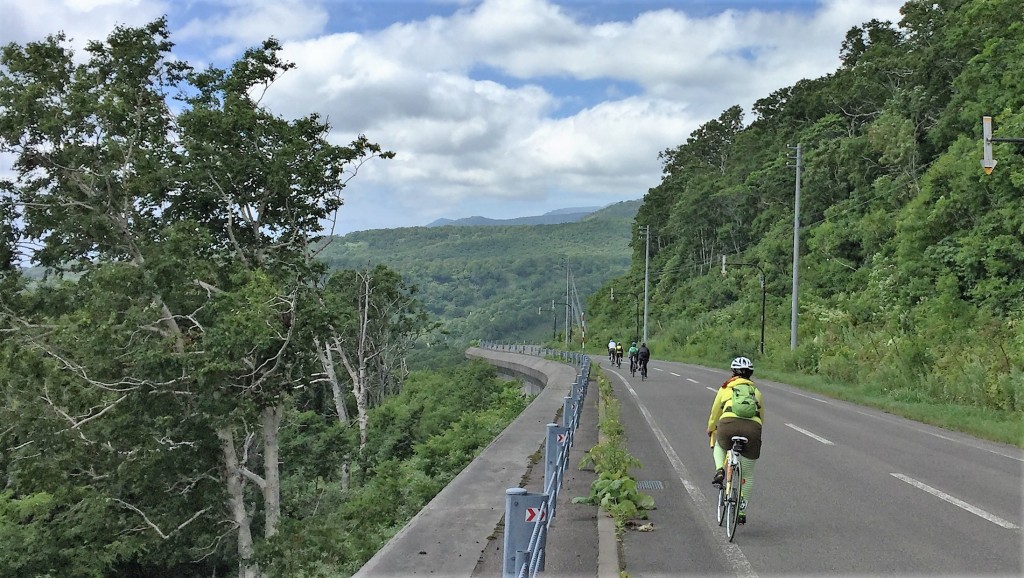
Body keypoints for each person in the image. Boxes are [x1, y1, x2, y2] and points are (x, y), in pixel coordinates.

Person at [706, 356, 763, 525]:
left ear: (732, 372)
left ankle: (719, 470)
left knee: (720, 445)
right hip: (753, 429)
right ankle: (742, 511)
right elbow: (762, 417)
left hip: (728, 425)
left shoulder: (725, 388)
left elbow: (715, 412)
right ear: (750, 374)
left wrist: (711, 428)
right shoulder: (756, 392)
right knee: (748, 475)